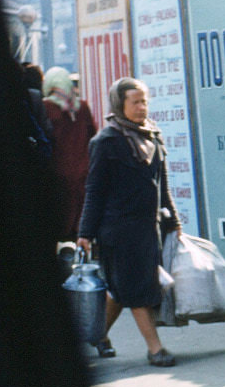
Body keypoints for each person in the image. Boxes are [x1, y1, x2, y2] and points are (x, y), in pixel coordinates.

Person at [76, 76, 179, 367]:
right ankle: (155, 349)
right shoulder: (106, 141)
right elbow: (94, 190)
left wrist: (174, 221)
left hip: (148, 228)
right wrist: (85, 231)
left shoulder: (153, 136)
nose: (141, 107)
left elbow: (161, 185)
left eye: (144, 101)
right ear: (120, 105)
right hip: (117, 230)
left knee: (123, 289)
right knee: (136, 289)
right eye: (135, 102)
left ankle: (96, 335)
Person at [42, 66, 96, 243]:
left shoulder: (46, 107)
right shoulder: (83, 107)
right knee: (81, 225)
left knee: (62, 227)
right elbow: (93, 136)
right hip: (84, 173)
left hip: (58, 175)